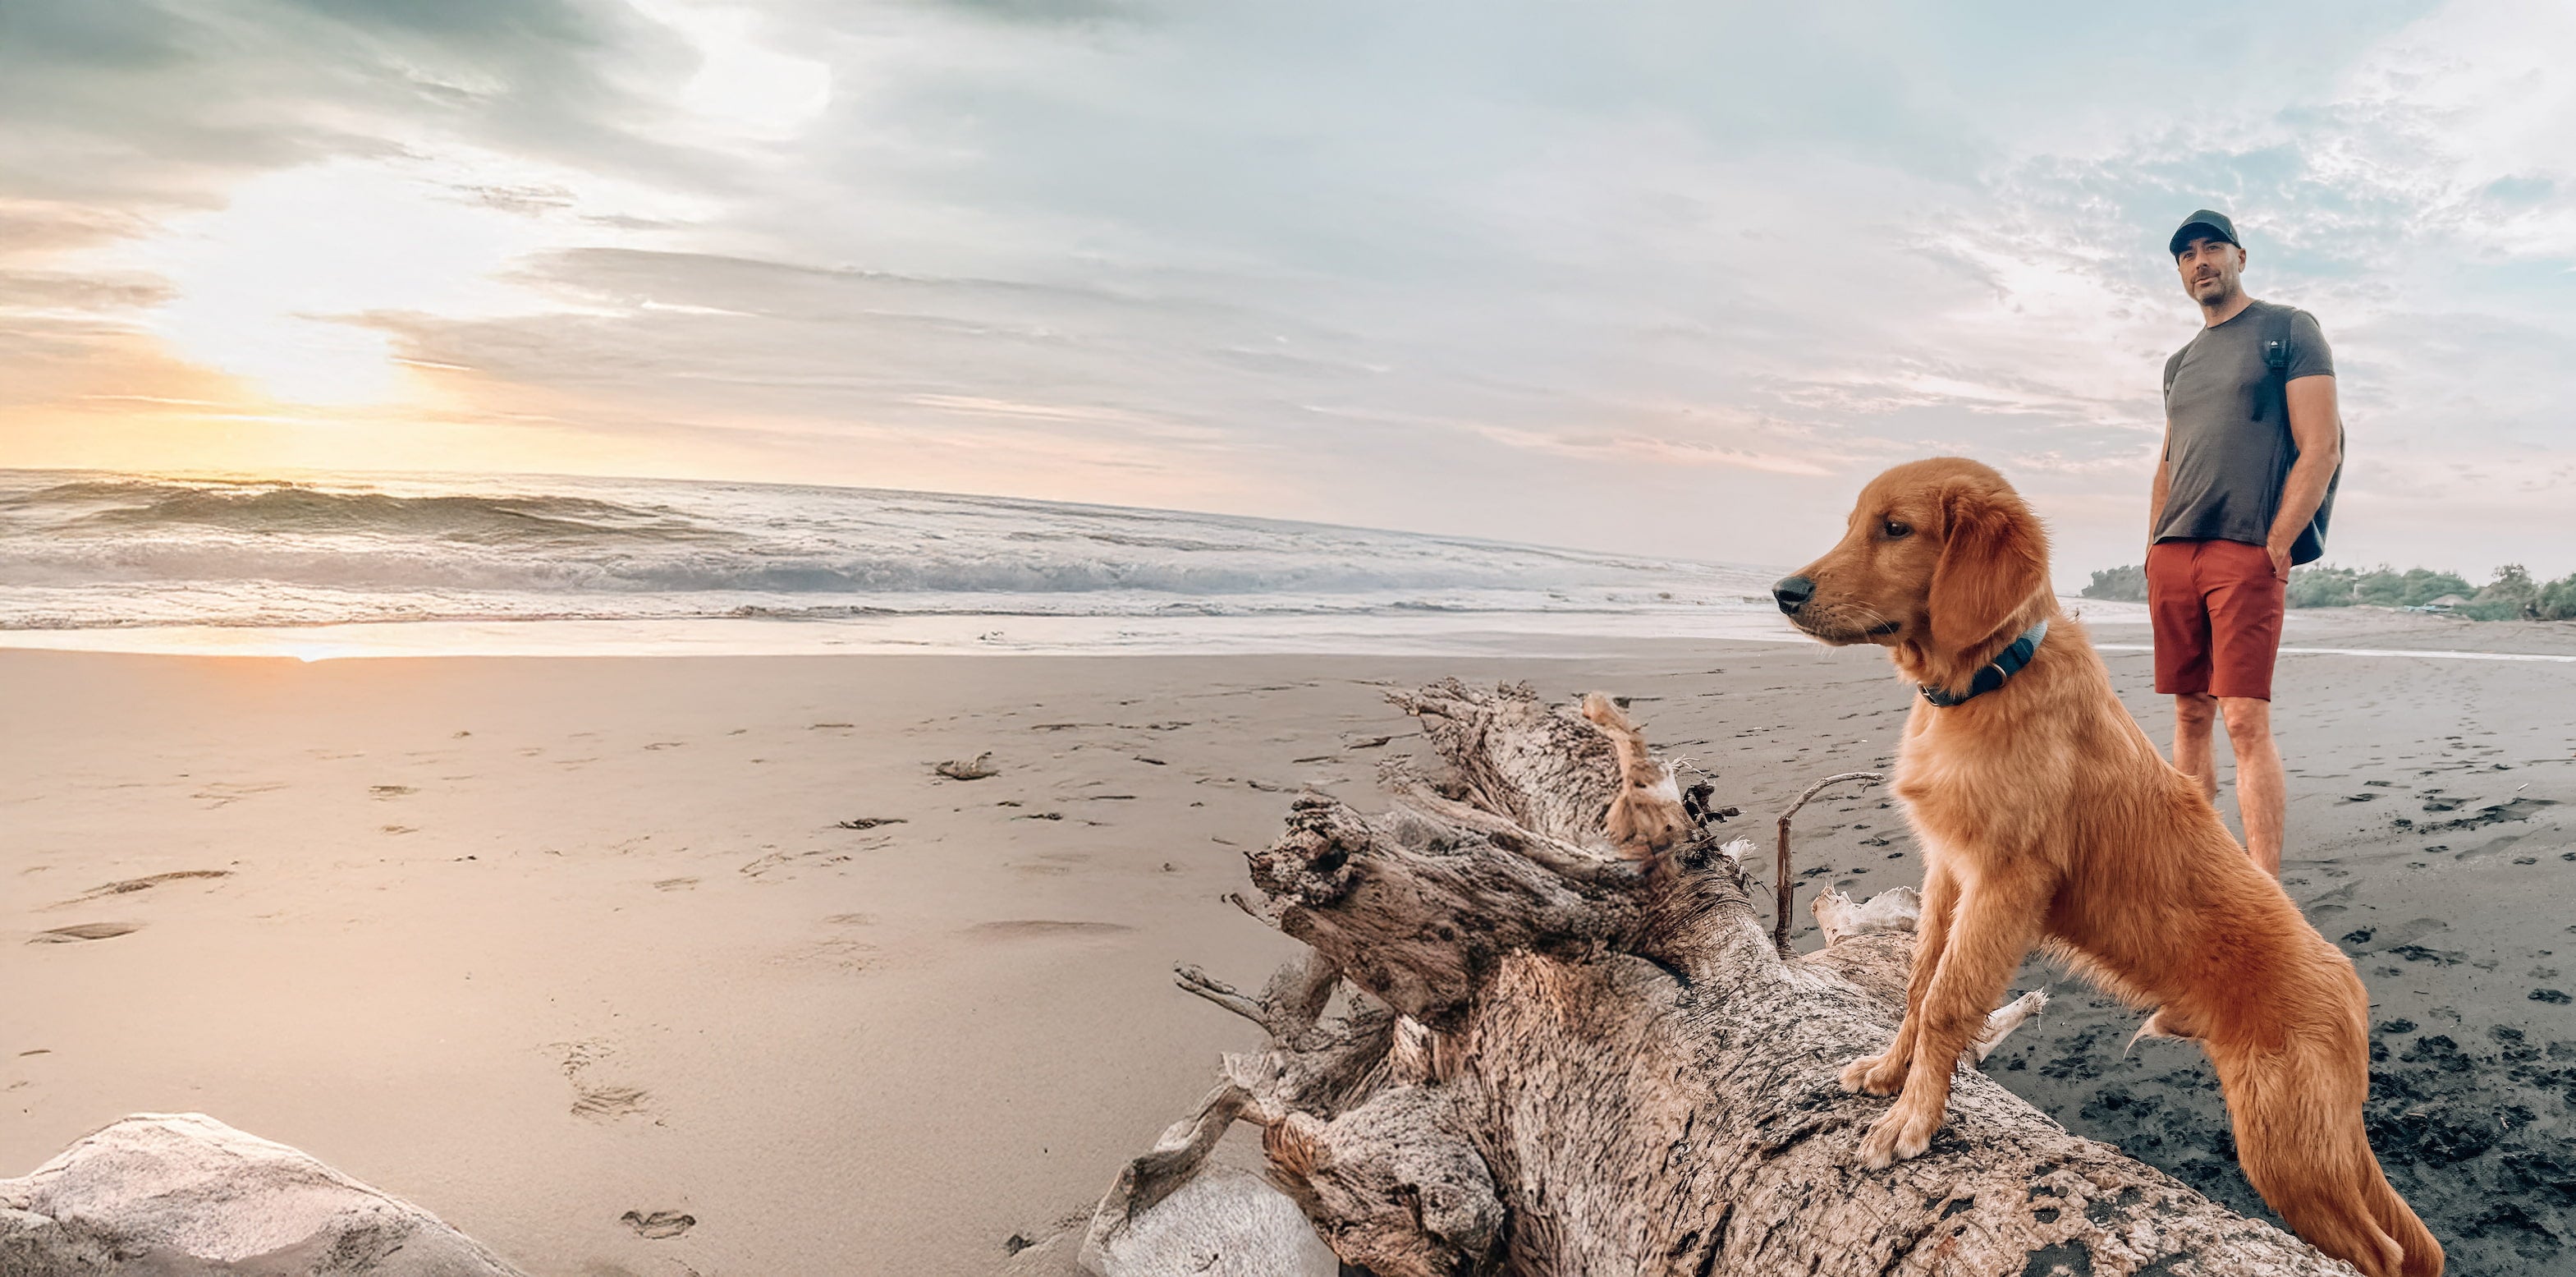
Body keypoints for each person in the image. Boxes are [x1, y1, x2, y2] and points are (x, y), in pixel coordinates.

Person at [2148, 209, 2342, 876]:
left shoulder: (2288, 329)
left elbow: (2322, 445)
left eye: (2212, 248)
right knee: (2190, 713)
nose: (2199, 261)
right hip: (2175, 552)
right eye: (2186, 255)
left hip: (2246, 548)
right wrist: (2153, 549)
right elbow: (2168, 463)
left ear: (2240, 257)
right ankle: (2198, 873)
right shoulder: (2178, 363)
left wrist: (2279, 540)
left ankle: (2265, 891)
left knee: (2243, 719)